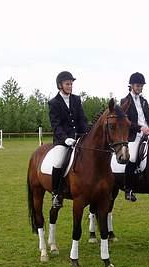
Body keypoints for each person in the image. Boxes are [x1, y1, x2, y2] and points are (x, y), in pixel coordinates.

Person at [48, 71, 88, 208]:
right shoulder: (53, 103)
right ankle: (55, 194)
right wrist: (65, 139)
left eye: (71, 83)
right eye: (67, 84)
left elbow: (82, 119)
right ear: (60, 85)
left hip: (79, 138)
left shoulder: (76, 99)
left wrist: (86, 134)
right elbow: (56, 125)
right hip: (62, 141)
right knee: (59, 161)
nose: (70, 86)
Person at [121, 72, 149, 202]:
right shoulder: (125, 101)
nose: (140, 88)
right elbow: (126, 122)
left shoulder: (144, 101)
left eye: (141, 86)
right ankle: (128, 189)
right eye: (138, 85)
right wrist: (141, 128)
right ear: (131, 85)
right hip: (135, 135)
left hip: (148, 132)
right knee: (132, 158)